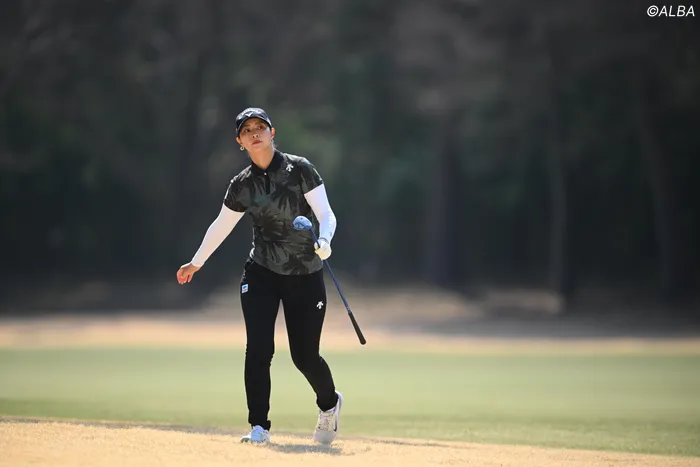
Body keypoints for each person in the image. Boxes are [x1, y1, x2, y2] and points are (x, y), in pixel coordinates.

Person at [176, 107, 343, 446]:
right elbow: (222, 225)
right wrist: (196, 262)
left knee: (304, 356)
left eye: (260, 127)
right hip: (262, 272)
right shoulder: (242, 184)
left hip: (305, 273)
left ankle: (329, 405)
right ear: (240, 141)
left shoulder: (300, 170)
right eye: (247, 130)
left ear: (272, 132)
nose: (254, 133)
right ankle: (259, 426)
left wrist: (325, 241)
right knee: (258, 349)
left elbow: (326, 214)